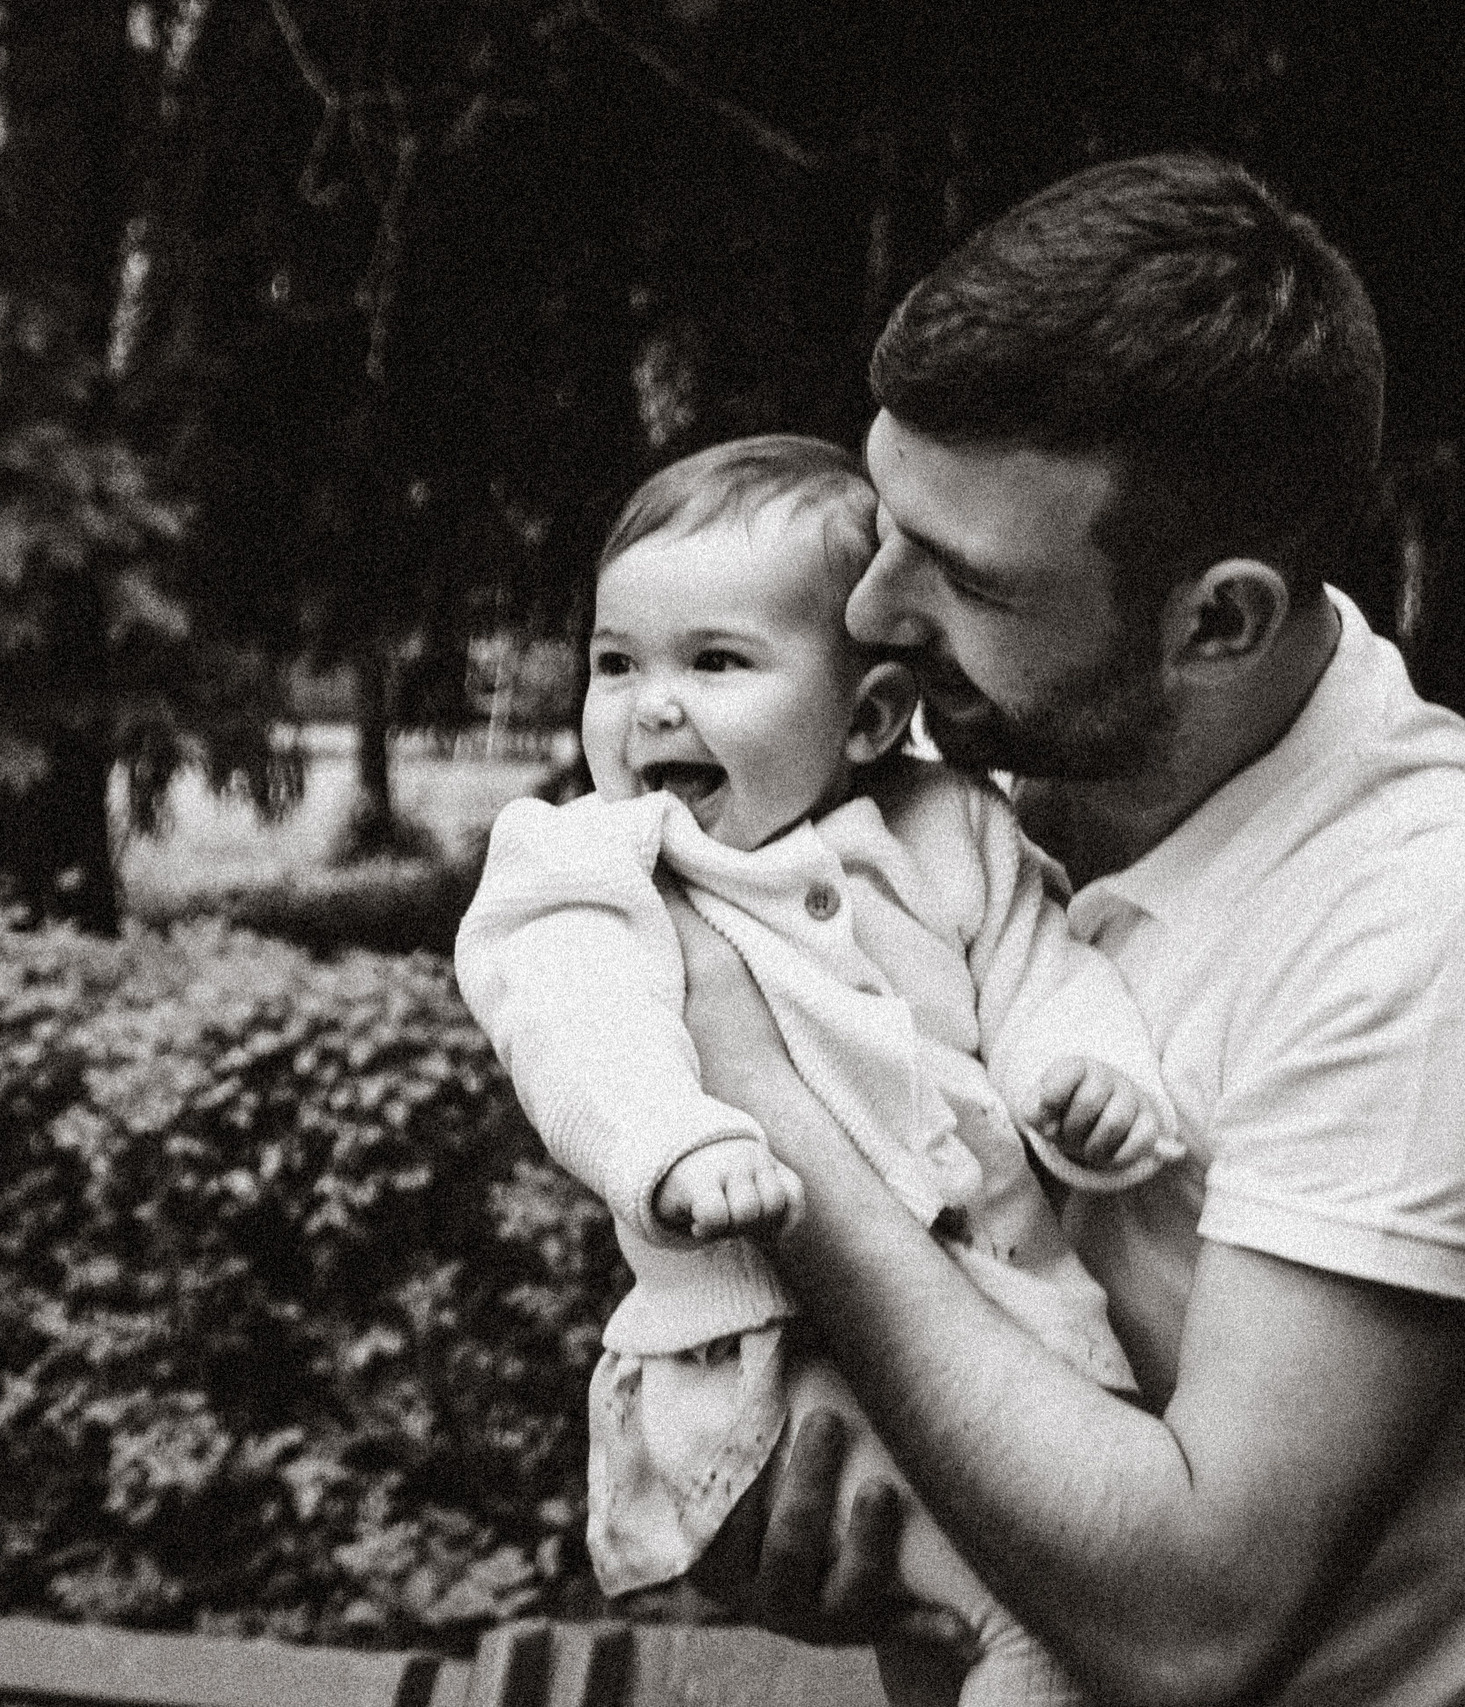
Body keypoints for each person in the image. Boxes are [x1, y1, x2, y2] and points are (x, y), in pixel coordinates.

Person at [681, 154, 1465, 1707]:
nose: (865, 615)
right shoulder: (987, 776)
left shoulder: (1416, 926)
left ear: (1217, 620)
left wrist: (772, 1121)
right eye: (882, 520)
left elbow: (1196, 1621)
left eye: (963, 577)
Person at [454, 434, 1174, 1706]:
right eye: (616, 664)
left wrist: (1084, 1076)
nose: (651, 704)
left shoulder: (949, 828)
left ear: (869, 718)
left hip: (1005, 1333)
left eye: (716, 662)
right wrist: (672, 1140)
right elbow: (569, 1017)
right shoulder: (595, 861)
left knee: (992, 1636)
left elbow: (1038, 973)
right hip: (761, 1376)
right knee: (1040, 1629)